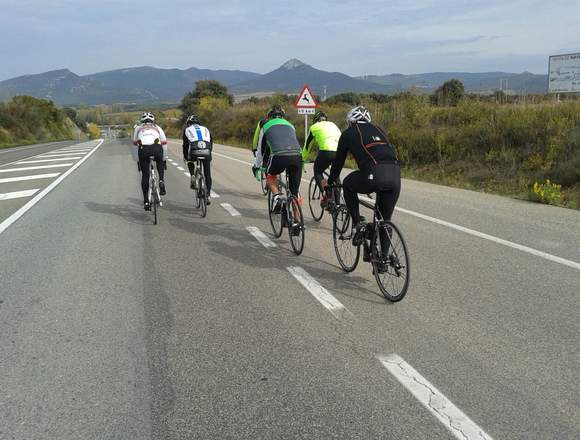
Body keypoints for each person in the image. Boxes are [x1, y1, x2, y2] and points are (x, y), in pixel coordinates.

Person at [326, 105, 400, 247]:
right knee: (384, 221)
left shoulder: (348, 133)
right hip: (395, 175)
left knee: (347, 183)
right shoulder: (380, 130)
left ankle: (357, 224)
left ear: (351, 121)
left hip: (373, 174)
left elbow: (338, 163)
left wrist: (330, 182)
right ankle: (383, 260)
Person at [252, 105, 302, 212]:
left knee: (270, 177)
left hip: (279, 155)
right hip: (297, 156)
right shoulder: (291, 125)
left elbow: (260, 151)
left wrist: (256, 166)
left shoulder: (265, 125)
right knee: (294, 192)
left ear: (269, 117)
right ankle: (298, 223)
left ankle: (277, 197)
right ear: (283, 117)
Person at [301, 110, 341, 205]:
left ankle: (326, 195)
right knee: (335, 175)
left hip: (326, 151)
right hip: (340, 152)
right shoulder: (333, 125)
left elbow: (307, 146)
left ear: (315, 120)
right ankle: (338, 204)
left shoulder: (314, 127)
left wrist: (303, 158)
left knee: (318, 171)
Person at [132, 112, 168, 211]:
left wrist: (137, 160)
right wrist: (164, 159)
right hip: (156, 148)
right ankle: (161, 180)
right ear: (152, 120)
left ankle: (146, 201)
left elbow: (135, 145)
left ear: (142, 121)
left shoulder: (138, 128)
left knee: (145, 176)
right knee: (160, 162)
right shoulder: (157, 127)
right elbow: (164, 143)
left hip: (143, 149)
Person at [182, 114, 213, 204]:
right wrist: (209, 155)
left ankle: (192, 175)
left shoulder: (187, 130)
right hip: (207, 150)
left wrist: (185, 157)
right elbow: (211, 142)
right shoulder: (205, 129)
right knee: (207, 174)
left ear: (189, 123)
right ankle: (208, 195)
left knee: (190, 160)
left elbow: (185, 145)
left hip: (194, 151)